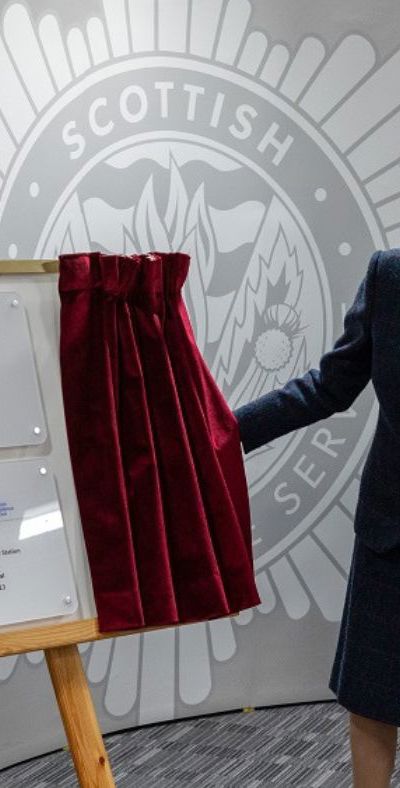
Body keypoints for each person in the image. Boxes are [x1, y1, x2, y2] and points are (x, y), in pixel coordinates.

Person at [233, 248, 400, 788]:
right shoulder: (391, 274)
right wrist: (222, 433)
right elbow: (329, 385)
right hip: (392, 531)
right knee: (373, 704)